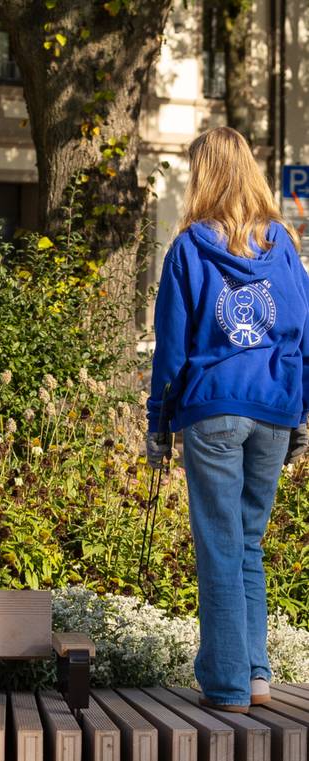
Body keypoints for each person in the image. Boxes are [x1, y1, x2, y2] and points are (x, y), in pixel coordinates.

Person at [147, 126, 309, 713]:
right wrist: (302, 414)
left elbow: (171, 346)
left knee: (219, 544)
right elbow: (302, 335)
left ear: (203, 172)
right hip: (273, 408)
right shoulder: (283, 245)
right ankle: (258, 676)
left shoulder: (190, 246)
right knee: (247, 545)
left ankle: (226, 685)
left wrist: (157, 422)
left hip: (213, 407)